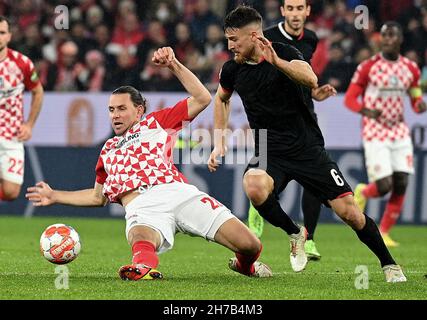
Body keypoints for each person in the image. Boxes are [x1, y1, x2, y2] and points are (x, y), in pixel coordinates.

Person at [26, 47, 272, 281]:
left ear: (139, 110)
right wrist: (55, 195)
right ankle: (142, 268)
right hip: (141, 206)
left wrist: (173, 65)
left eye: (122, 109)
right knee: (140, 236)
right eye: (111, 110)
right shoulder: (107, 150)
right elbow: (97, 197)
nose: (115, 115)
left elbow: (202, 97)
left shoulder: (156, 123)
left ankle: (244, 265)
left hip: (177, 192)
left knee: (250, 245)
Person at [207, 5, 406, 282]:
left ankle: (389, 264)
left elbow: (310, 78)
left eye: (234, 39)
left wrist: (278, 63)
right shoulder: (232, 69)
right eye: (227, 40)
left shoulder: (285, 52)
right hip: (268, 148)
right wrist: (219, 142)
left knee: (350, 213)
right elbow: (221, 99)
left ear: (253, 35)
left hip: (306, 147)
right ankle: (295, 232)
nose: (229, 46)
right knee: (253, 186)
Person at [247, 0, 337, 262]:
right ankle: (257, 209)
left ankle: (308, 240)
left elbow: (303, 76)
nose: (296, 13)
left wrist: (315, 94)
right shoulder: (269, 37)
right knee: (262, 169)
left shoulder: (311, 39)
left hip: (302, 117)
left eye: (301, 8)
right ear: (283, 11)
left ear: (308, 11)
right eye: (291, 8)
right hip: (269, 118)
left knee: (314, 177)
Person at [344, 21, 427, 248]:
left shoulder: (411, 68)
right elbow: (349, 99)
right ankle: (363, 191)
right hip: (375, 129)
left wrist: (420, 105)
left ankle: (385, 231)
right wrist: (366, 110)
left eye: (393, 35)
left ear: (400, 39)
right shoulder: (368, 67)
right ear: (380, 39)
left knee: (402, 182)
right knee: (384, 185)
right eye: (385, 36)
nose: (389, 39)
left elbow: (415, 97)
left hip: (399, 130)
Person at [0, 16, 44, 202]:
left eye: (2, 33)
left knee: (11, 192)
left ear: (9, 36)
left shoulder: (22, 63)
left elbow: (38, 92)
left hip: (12, 134)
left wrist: (29, 125)